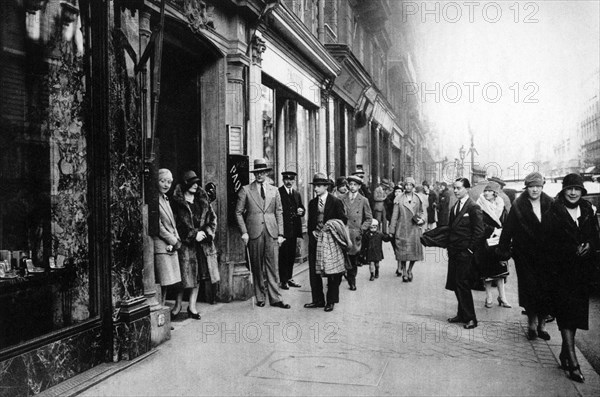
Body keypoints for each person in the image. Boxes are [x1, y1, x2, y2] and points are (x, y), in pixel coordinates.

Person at [544, 173, 600, 383]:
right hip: (560, 272)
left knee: (575, 315)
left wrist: (590, 245)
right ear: (563, 190)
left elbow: (595, 236)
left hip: (582, 273)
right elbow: (546, 244)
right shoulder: (553, 212)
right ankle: (574, 363)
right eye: (570, 189)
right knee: (565, 314)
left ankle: (565, 352)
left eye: (577, 189)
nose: (573, 193)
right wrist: (569, 249)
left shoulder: (587, 210)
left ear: (582, 191)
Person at [497, 172, 553, 340]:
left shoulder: (551, 203)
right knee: (529, 290)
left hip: (547, 256)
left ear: (542, 187)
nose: (535, 190)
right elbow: (508, 229)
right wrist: (503, 250)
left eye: (538, 186)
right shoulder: (519, 204)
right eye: (531, 186)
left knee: (545, 290)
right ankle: (531, 324)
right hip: (525, 255)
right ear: (526, 187)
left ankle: (542, 325)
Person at [235, 158, 290, 309]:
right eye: (257, 173)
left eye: (262, 172)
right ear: (254, 174)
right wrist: (244, 232)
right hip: (254, 232)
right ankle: (260, 296)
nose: (260, 175)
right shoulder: (246, 190)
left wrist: (281, 234)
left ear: (266, 173)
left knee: (273, 265)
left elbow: (279, 212)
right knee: (257, 265)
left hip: (271, 231)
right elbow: (238, 213)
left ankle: (276, 298)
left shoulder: (275, 190)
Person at [171, 170, 218, 320]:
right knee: (183, 277)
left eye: (197, 183)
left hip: (202, 245)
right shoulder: (177, 202)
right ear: (185, 184)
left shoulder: (202, 201)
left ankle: (192, 307)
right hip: (185, 246)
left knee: (197, 277)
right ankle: (177, 306)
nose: (196, 185)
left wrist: (206, 233)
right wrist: (192, 235)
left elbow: (212, 220)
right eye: (192, 183)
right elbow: (174, 225)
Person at [304, 173, 348, 312]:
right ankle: (317, 300)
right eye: (315, 186)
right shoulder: (312, 203)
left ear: (325, 187)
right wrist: (312, 233)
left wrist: (329, 227)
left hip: (330, 241)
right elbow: (310, 223)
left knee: (332, 271)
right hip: (314, 241)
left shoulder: (335, 202)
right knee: (314, 271)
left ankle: (331, 301)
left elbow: (343, 221)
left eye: (318, 186)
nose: (315, 189)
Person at [446, 178, 484, 329]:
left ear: (467, 189)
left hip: (465, 253)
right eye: (454, 188)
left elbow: (479, 232)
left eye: (459, 188)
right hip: (455, 251)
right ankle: (461, 314)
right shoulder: (456, 206)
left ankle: (471, 318)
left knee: (463, 284)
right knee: (456, 283)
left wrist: (470, 250)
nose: (455, 191)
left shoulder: (473, 207)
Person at [475, 181, 511, 308]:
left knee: (501, 271)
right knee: (487, 272)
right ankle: (488, 296)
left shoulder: (501, 205)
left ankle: (502, 297)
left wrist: (504, 232)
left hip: (500, 241)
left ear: (495, 193)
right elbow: (479, 224)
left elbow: (507, 221)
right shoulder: (479, 206)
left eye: (489, 191)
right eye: (485, 191)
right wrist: (493, 230)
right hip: (486, 242)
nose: (486, 193)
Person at [153, 169, 182, 306]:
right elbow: (158, 226)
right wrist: (174, 240)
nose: (166, 185)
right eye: (163, 181)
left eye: (169, 182)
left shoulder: (165, 198)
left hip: (169, 247)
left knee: (167, 284)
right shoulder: (155, 200)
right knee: (161, 282)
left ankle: (163, 313)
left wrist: (176, 238)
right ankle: (160, 312)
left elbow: (171, 223)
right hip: (162, 246)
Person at [388, 177, 424, 282]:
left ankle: (409, 270)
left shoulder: (418, 198)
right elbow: (394, 216)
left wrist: (422, 219)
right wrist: (391, 230)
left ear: (413, 187)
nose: (408, 187)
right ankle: (404, 271)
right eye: (406, 185)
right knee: (402, 252)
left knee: (413, 252)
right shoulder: (399, 198)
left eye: (410, 185)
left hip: (414, 229)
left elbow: (422, 212)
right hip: (402, 229)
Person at [340, 175, 373, 291]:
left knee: (353, 258)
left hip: (355, 234)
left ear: (359, 187)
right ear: (348, 185)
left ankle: (352, 280)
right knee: (342, 256)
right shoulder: (341, 198)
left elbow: (369, 218)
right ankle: (339, 277)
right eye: (351, 184)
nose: (352, 187)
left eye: (355, 185)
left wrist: (362, 229)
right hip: (343, 231)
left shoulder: (363, 200)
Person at [278, 171, 305, 290]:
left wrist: (301, 211)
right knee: (283, 255)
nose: (289, 182)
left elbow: (302, 208)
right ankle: (283, 280)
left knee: (291, 255)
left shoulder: (296, 194)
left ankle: (289, 278)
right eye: (286, 180)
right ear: (283, 180)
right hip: (283, 230)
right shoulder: (278, 192)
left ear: (294, 181)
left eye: (291, 180)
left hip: (294, 230)